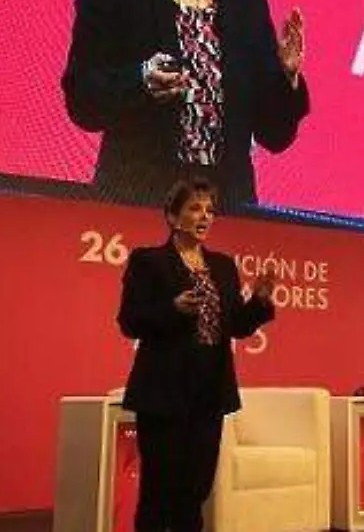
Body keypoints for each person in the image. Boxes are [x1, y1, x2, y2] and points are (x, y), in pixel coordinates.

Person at [62, 0, 309, 213]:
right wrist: (140, 80)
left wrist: (286, 76)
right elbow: (82, 98)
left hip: (226, 213)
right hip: (137, 204)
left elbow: (275, 134)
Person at [117, 176, 277, 532]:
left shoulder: (223, 266)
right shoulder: (148, 261)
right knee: (159, 491)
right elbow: (129, 321)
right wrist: (172, 308)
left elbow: (236, 325)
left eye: (210, 210)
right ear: (173, 217)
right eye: (194, 208)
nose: (205, 216)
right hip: (163, 393)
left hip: (210, 393)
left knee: (195, 490)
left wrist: (259, 302)